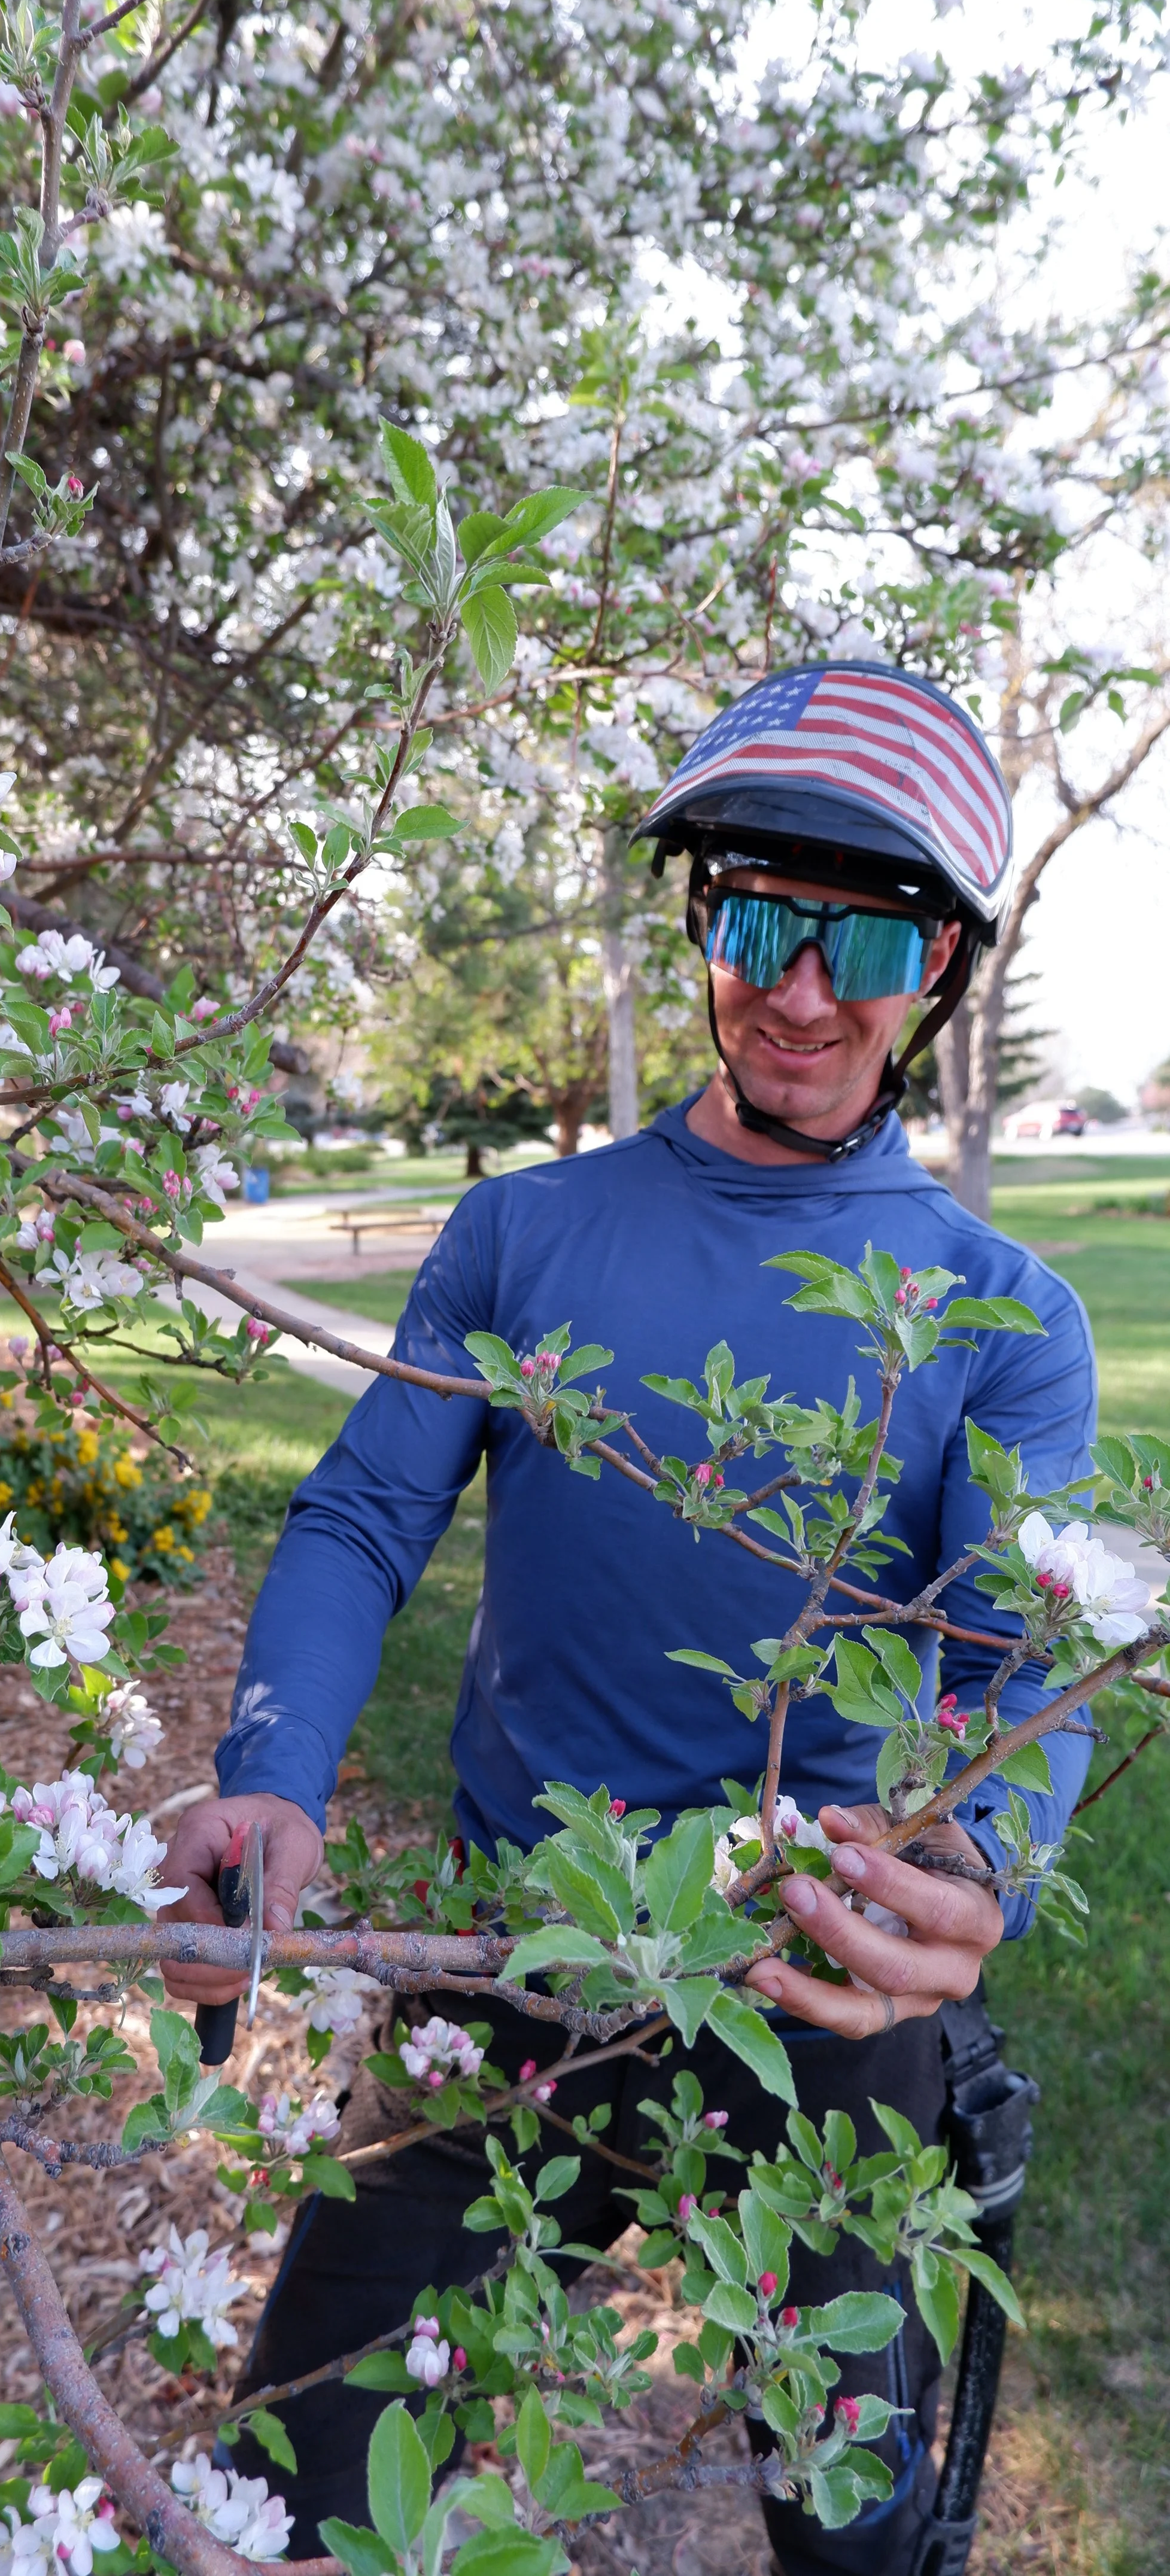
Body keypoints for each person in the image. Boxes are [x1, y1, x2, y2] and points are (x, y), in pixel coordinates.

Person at [166, 662, 1096, 2571]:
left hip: (817, 1979)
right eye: (761, 919)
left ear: (940, 970)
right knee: (289, 2465)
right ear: (701, 920)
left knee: (845, 2525)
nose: (804, 993)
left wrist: (983, 1860)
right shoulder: (524, 1231)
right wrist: (274, 1779)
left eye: (870, 939)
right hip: (510, 1953)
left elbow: (1014, 1659)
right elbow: (360, 1513)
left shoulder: (997, 1315)